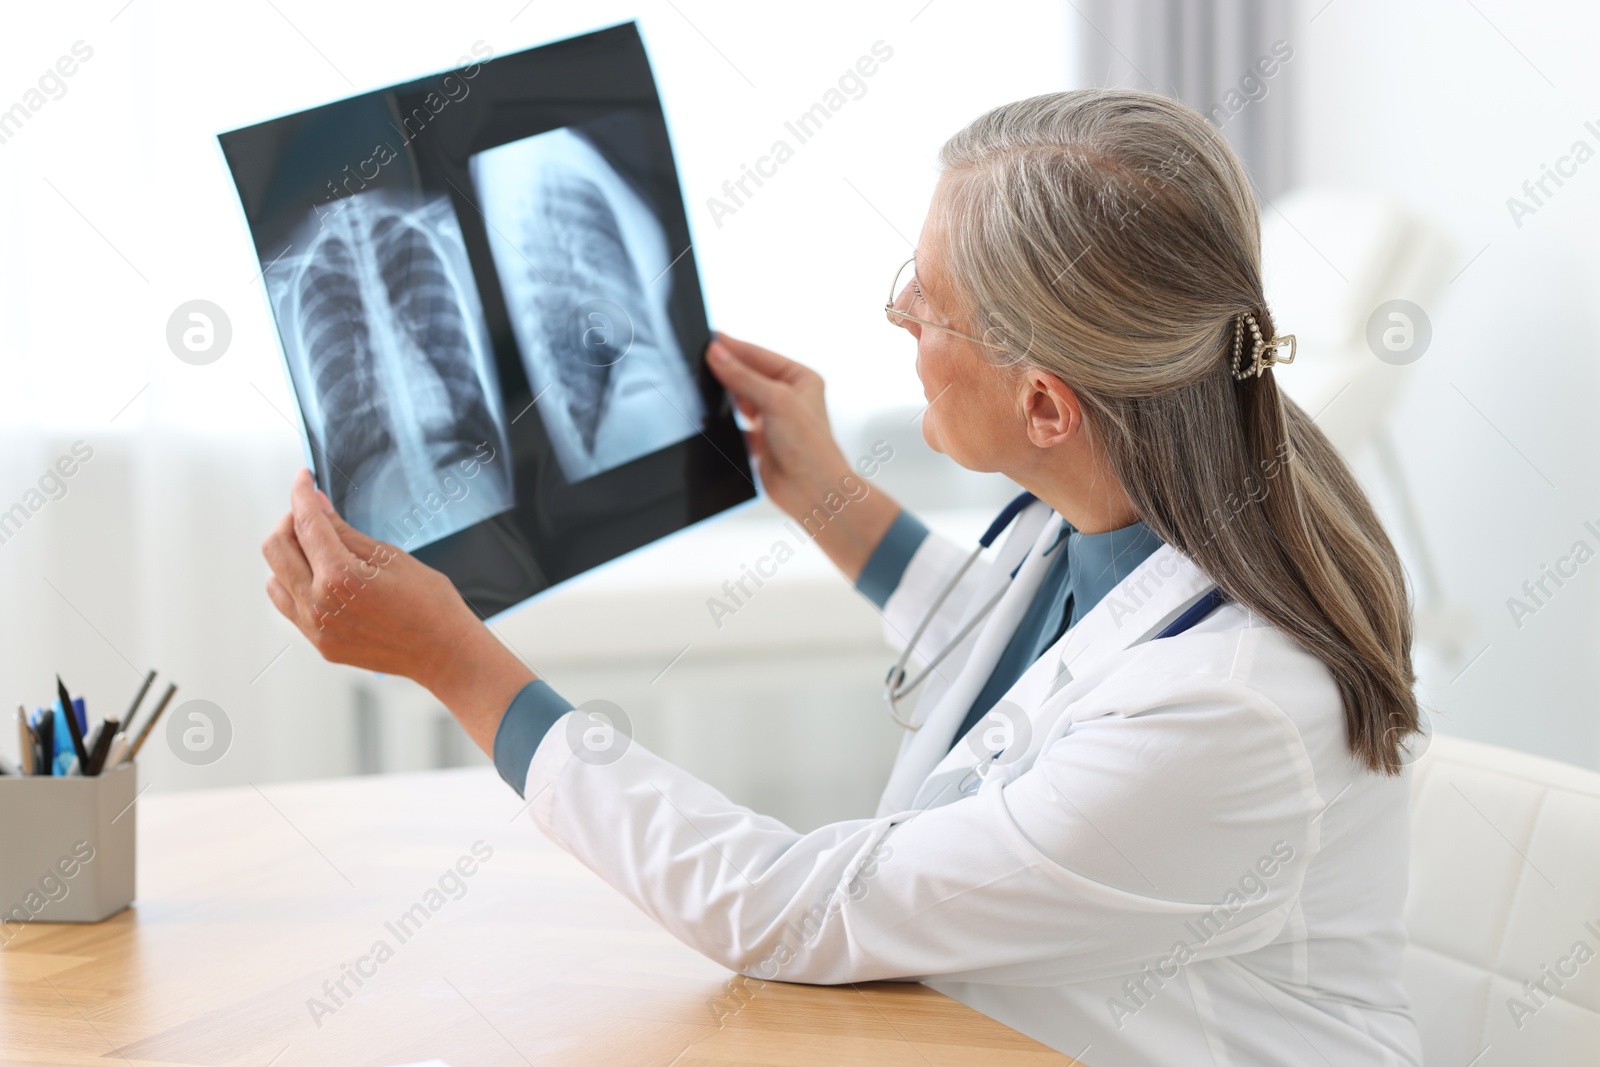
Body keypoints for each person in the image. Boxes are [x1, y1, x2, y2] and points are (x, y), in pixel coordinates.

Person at [262, 89, 1423, 1066]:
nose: (896, 314)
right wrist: (819, 489)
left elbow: (784, 907)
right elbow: (1021, 664)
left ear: (1044, 404)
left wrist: (453, 659)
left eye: (931, 302)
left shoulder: (1221, 709)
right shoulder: (1129, 516)